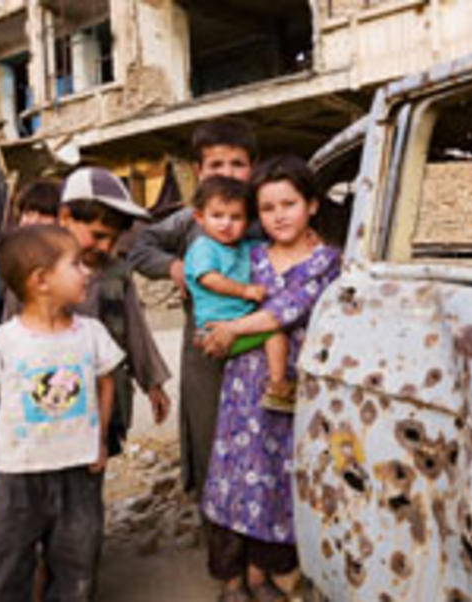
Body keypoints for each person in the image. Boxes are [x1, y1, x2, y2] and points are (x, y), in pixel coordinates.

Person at [198, 156, 341, 602]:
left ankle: (263, 575)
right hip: (242, 386)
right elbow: (213, 295)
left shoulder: (328, 262)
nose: (279, 215)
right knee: (232, 477)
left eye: (289, 203)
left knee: (277, 480)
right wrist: (215, 331)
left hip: (293, 388)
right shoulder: (249, 256)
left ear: (312, 205)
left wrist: (233, 329)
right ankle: (231, 580)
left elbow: (289, 308)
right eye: (267, 208)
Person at [0, 225, 124, 602]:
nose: (87, 272)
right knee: (3, 564)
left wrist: (99, 441)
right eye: (75, 264)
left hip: (78, 472)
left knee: (77, 562)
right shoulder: (2, 341)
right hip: (16, 475)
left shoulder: (91, 333)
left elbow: (106, 383)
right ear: (41, 280)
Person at [127, 117, 257, 497]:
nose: (228, 174)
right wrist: (175, 267)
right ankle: (213, 517)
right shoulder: (191, 220)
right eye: (216, 165)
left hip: (261, 340)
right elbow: (140, 247)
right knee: (208, 429)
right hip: (203, 346)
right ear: (199, 171)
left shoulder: (264, 214)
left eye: (238, 164)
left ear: (253, 167)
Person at [59, 166, 172, 453]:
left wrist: (153, 384)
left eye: (113, 238)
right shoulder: (34, 271)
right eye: (97, 235)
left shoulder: (116, 273)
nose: (106, 246)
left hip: (106, 396)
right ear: (64, 218)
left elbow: (135, 330)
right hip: (53, 400)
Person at [184, 176, 293, 411]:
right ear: (199, 217)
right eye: (217, 216)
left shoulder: (246, 247)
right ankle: (279, 386)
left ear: (247, 221)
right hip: (217, 330)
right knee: (275, 332)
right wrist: (245, 290)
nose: (226, 224)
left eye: (236, 217)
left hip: (237, 324)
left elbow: (274, 246)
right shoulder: (204, 247)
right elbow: (208, 278)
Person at [0, 179, 60, 334]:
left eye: (44, 214)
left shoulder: (69, 265)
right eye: (29, 213)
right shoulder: (10, 255)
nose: (34, 221)